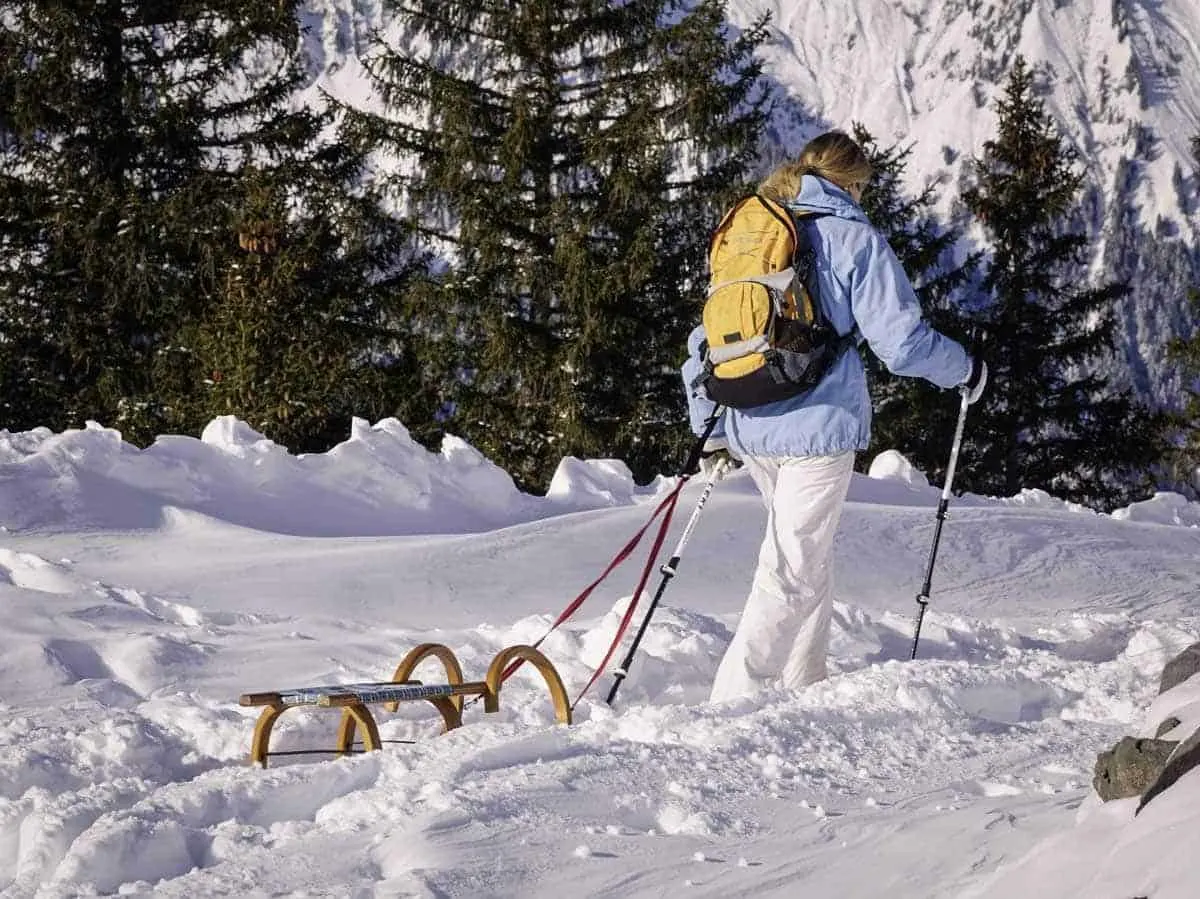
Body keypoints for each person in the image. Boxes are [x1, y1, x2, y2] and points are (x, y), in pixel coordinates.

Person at [682, 131, 987, 703]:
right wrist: (966, 369)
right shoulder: (853, 237)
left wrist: (714, 429)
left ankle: (805, 681)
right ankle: (733, 700)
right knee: (791, 567)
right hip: (817, 426)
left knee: (803, 555)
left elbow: (707, 337)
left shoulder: (756, 229)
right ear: (852, 182)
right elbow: (902, 346)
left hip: (751, 418)